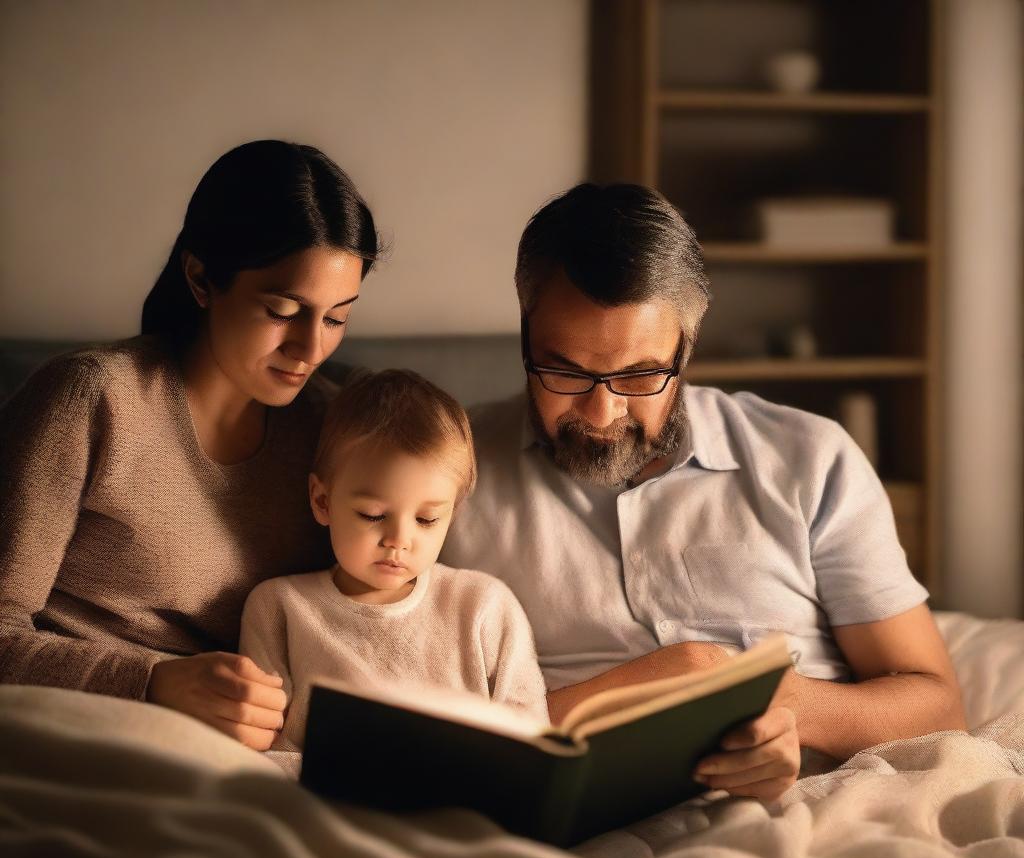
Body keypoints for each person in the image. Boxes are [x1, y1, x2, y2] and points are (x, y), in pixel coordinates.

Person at [442, 182, 965, 800]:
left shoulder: (808, 457)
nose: (603, 411)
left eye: (640, 375)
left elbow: (937, 704)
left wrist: (788, 710)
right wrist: (677, 677)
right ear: (526, 333)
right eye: (565, 371)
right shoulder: (445, 472)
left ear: (686, 350)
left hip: (809, 810)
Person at [0, 139, 378, 752]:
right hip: (76, 737)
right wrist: (150, 683)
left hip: (244, 758)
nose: (310, 348)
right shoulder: (94, 399)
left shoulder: (333, 430)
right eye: (283, 310)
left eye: (337, 319)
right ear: (202, 279)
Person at [238, 368, 550, 762]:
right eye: (372, 515)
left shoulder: (483, 606)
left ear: (452, 514)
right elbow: (263, 752)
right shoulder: (279, 608)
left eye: (426, 520)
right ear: (322, 501)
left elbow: (530, 735)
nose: (399, 540)